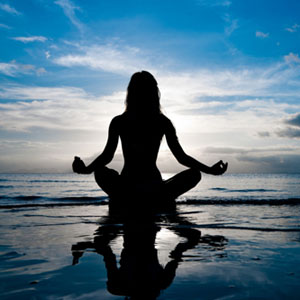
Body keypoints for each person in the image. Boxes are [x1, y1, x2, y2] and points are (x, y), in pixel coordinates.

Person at [72, 71, 228, 207]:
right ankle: (159, 198)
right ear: (154, 94)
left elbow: (107, 156)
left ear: (130, 93)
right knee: (195, 174)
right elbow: (181, 157)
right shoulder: (161, 122)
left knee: (100, 171)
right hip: (154, 187)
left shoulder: (120, 121)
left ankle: (126, 199)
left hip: (128, 186)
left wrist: (86, 169)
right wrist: (209, 170)